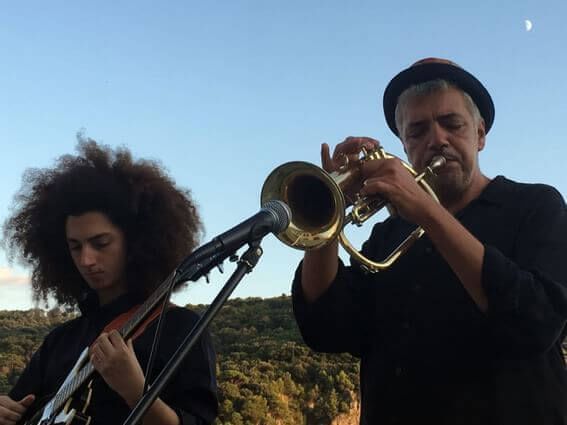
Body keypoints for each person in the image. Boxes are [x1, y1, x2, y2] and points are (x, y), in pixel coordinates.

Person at [292, 58, 567, 425]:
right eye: (417, 132)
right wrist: (329, 210)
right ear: (404, 147)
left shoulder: (536, 205)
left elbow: (538, 322)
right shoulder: (387, 236)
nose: (436, 140)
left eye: (452, 125)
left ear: (480, 134)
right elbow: (327, 328)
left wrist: (427, 212)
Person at [0, 139, 218, 425]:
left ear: (136, 241)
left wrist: (136, 392)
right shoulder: (60, 341)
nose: (86, 259)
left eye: (100, 243)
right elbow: (20, 409)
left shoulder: (182, 329)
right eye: (75, 246)